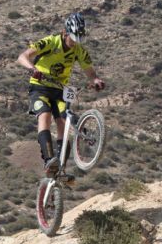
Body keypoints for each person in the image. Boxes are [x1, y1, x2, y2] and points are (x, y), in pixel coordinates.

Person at [17, 12, 105, 177]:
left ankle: (60, 166)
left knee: (64, 122)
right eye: (72, 37)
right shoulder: (51, 41)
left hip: (60, 90)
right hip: (40, 87)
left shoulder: (79, 50)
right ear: (65, 33)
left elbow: (90, 71)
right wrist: (32, 69)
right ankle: (49, 159)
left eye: (78, 38)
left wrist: (95, 80)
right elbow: (23, 56)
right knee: (45, 116)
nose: (75, 42)